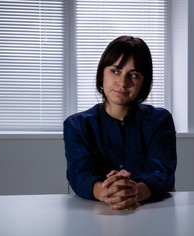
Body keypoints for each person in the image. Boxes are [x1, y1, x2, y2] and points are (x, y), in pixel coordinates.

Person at [63, 36, 177, 210]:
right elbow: (79, 174)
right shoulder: (77, 125)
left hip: (153, 212)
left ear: (143, 82)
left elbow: (162, 172)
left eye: (133, 75)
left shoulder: (160, 121)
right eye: (115, 71)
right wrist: (107, 193)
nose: (123, 83)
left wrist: (136, 192)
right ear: (102, 73)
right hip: (94, 215)